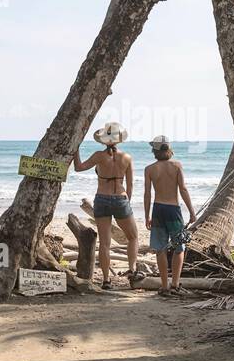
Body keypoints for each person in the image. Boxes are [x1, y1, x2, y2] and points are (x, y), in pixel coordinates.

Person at [74, 122, 142, 289]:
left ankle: (106, 280)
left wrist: (75, 150)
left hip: (102, 199)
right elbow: (130, 185)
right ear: (119, 141)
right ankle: (132, 270)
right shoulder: (127, 157)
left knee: (105, 243)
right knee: (133, 237)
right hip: (120, 198)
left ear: (104, 141)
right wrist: (126, 202)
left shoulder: (98, 156)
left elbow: (78, 167)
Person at [143, 135, 195, 296]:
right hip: (173, 210)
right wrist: (192, 213)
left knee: (160, 248)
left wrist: (147, 216)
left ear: (155, 151)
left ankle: (164, 286)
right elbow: (183, 189)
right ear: (169, 150)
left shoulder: (150, 169)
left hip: (158, 209)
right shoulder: (177, 166)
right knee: (179, 247)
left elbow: (147, 194)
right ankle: (175, 284)